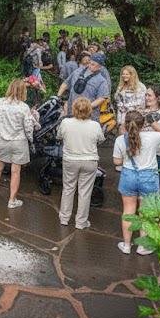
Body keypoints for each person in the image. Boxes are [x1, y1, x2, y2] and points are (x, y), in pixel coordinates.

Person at [114, 110, 160, 255]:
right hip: (148, 176)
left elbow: (116, 161)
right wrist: (154, 122)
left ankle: (127, 245)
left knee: (128, 211)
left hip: (128, 175)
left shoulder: (120, 140)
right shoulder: (152, 137)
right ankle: (143, 246)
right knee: (146, 213)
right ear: (143, 124)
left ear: (126, 124)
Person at [57, 97, 105, 229]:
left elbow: (59, 136)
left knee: (68, 188)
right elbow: (101, 140)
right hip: (89, 160)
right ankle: (81, 222)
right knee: (85, 192)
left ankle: (64, 218)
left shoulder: (66, 122)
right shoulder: (95, 125)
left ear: (74, 109)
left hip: (70, 160)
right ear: (89, 110)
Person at [0, 78, 33, 208]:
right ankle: (12, 200)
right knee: (15, 171)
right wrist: (31, 139)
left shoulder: (0, 102)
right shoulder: (24, 108)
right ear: (23, 91)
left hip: (2, 140)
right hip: (19, 141)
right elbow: (28, 127)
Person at [57, 53, 110, 122]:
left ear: (100, 67)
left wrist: (86, 107)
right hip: (71, 112)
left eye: (93, 65)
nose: (90, 66)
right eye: (90, 63)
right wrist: (58, 96)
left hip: (88, 116)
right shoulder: (77, 71)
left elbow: (102, 98)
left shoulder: (102, 81)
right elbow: (66, 84)